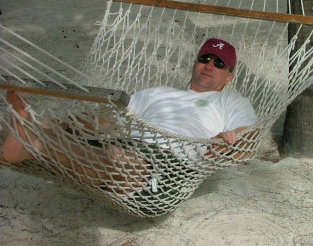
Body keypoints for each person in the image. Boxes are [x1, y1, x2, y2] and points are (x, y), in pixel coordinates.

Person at [1, 38, 257, 189]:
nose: (209, 66)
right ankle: (38, 134)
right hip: (124, 143)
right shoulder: (157, 93)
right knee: (98, 142)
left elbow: (248, 138)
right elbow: (114, 121)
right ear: (195, 63)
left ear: (229, 76)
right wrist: (65, 124)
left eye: (219, 63)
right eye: (205, 59)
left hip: (168, 163)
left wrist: (231, 140)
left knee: (124, 165)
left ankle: (33, 143)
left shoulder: (230, 101)